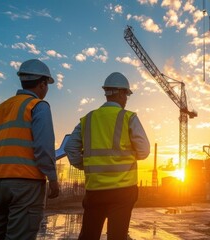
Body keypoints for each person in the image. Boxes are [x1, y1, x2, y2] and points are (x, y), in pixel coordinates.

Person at [0, 59, 60, 240]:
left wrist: (2, 161)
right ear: (43, 83)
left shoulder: (1, 108)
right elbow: (44, 149)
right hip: (26, 183)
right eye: (47, 85)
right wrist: (53, 179)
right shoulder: (38, 106)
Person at [64, 72, 150, 240]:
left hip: (95, 189)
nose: (126, 99)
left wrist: (86, 164)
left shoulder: (88, 119)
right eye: (126, 95)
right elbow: (144, 151)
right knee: (117, 235)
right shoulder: (128, 117)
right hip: (123, 190)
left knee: (89, 235)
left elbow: (70, 148)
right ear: (120, 93)